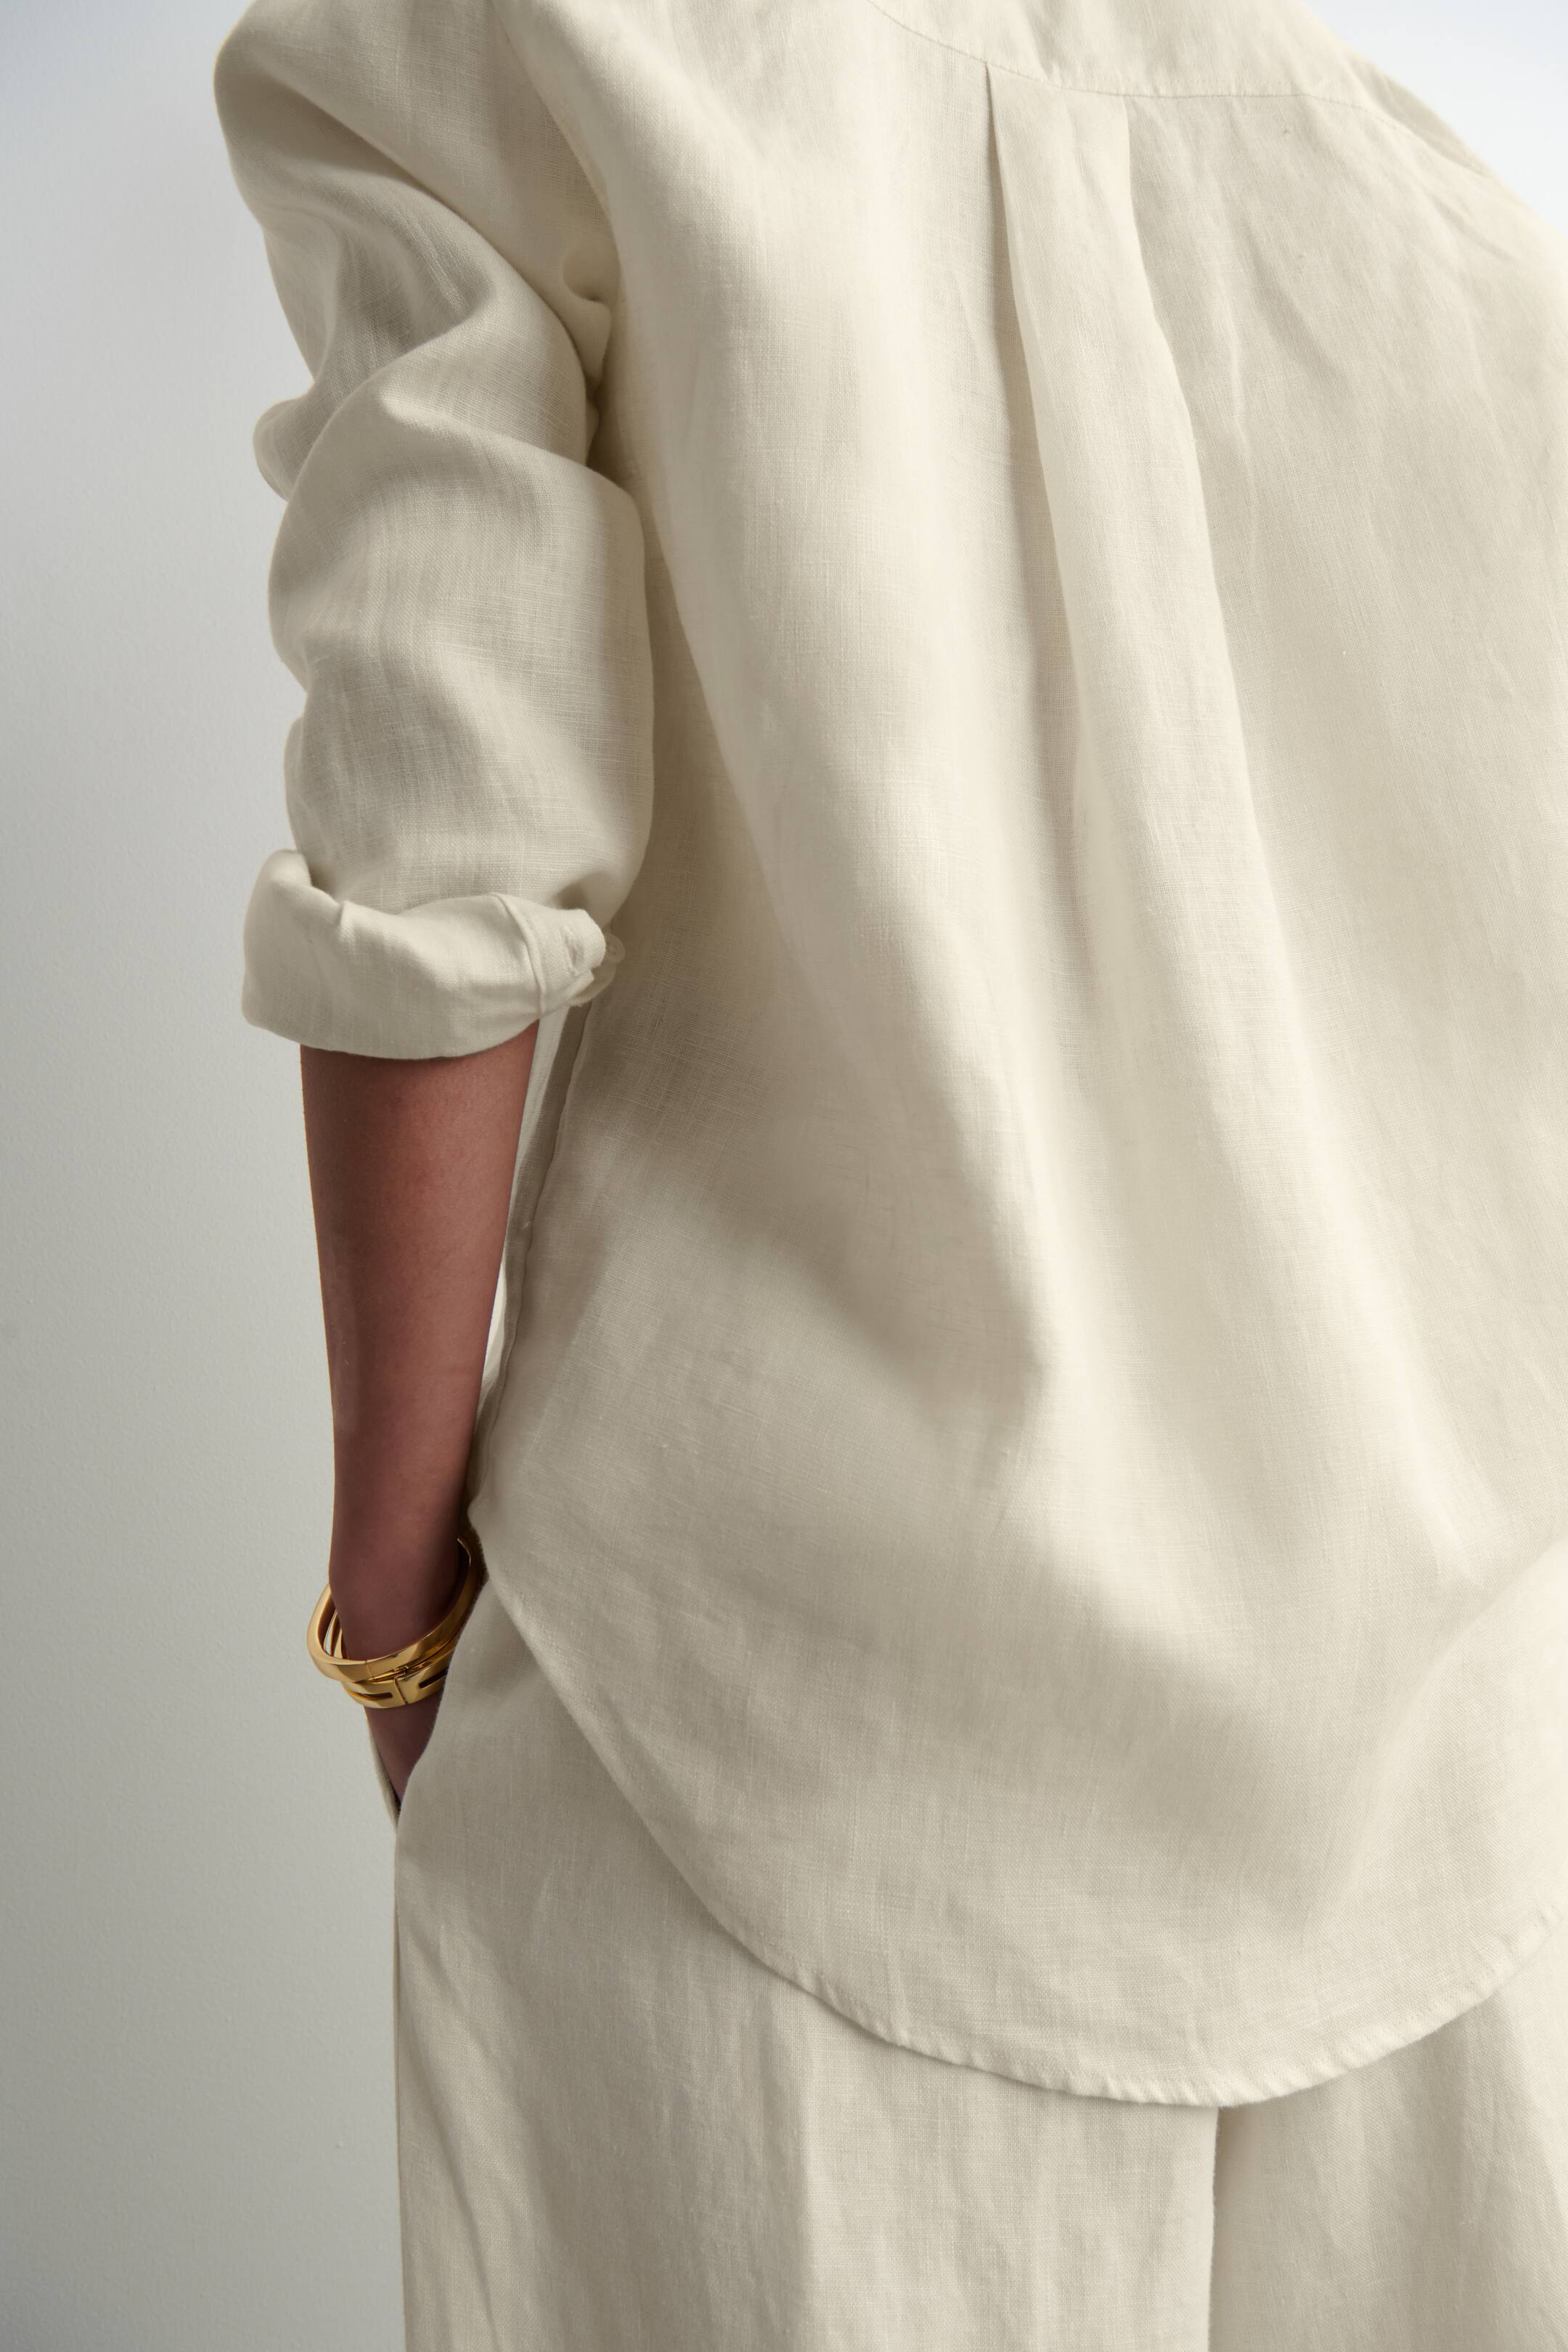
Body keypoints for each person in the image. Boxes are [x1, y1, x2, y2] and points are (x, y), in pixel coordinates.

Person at [211, 0, 1568, 2340]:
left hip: (763, 1762)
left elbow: (441, 848)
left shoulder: (509, 48)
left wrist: (393, 1613)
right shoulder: (1416, 194)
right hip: (1448, 1802)